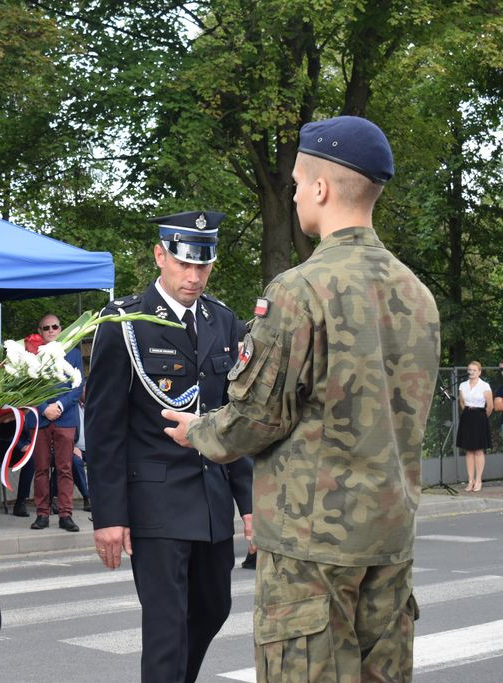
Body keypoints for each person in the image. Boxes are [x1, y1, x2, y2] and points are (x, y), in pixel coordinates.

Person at [163, 116, 440, 681]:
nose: (291, 194)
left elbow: (256, 417)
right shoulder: (417, 294)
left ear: (321, 188)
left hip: (312, 543)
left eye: (294, 183)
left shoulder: (299, 289)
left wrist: (198, 431)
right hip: (389, 534)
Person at [85, 211, 253, 681]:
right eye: (184, 264)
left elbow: (231, 418)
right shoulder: (124, 322)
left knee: (214, 608)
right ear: (160, 257)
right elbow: (103, 428)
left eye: (204, 266)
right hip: (154, 502)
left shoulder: (223, 322)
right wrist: (110, 516)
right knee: (165, 628)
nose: (194, 276)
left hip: (211, 498)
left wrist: (250, 504)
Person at [30, 313, 84, 532]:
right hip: (42, 419)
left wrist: (60, 406)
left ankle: (65, 514)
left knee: (65, 468)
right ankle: (42, 514)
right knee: (41, 468)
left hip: (66, 417)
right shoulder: (33, 356)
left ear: (61, 329)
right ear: (40, 332)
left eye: (55, 326)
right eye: (46, 328)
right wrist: (44, 408)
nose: (51, 330)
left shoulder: (74, 354)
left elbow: (78, 386)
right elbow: (29, 387)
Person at [457, 360, 491, 492]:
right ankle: (470, 480)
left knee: (478, 450)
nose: (471, 372)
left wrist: (481, 417)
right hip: (467, 416)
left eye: (474, 370)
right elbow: (461, 402)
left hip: (480, 416)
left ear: (479, 372)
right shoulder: (462, 385)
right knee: (469, 450)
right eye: (469, 370)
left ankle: (478, 480)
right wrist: (468, 413)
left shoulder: (485, 386)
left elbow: (490, 406)